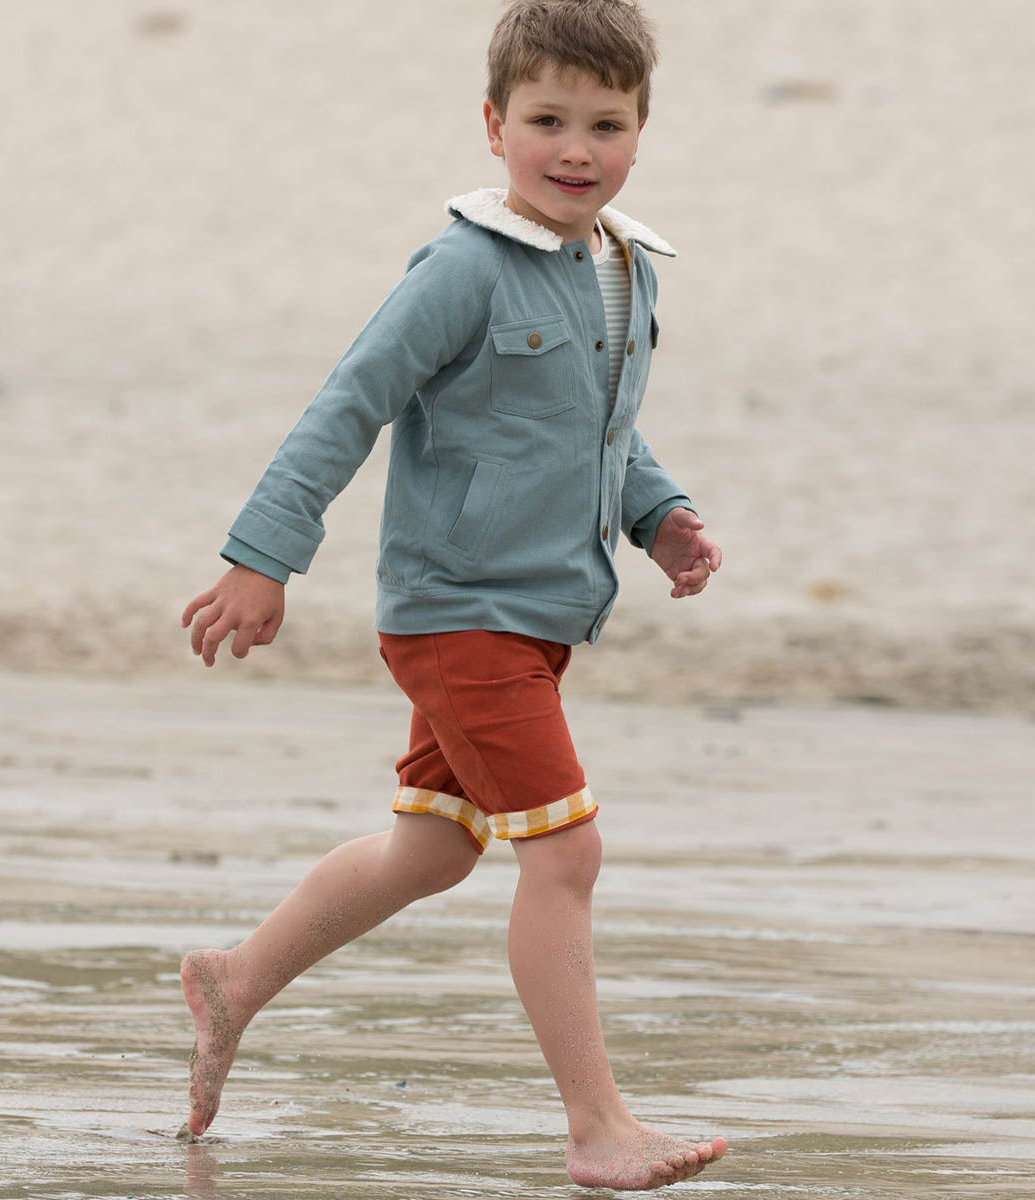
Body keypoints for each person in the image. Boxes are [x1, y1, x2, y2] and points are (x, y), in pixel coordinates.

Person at [179, 0, 727, 1188]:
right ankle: (597, 1128)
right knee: (567, 855)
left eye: (605, 123)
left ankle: (235, 978)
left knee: (431, 851)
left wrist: (660, 517)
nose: (574, 148)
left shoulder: (621, 270)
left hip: (539, 618)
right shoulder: (461, 269)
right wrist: (261, 557)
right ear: (493, 125)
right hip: (459, 615)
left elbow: (598, 431)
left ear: (641, 133)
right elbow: (347, 404)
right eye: (546, 120)